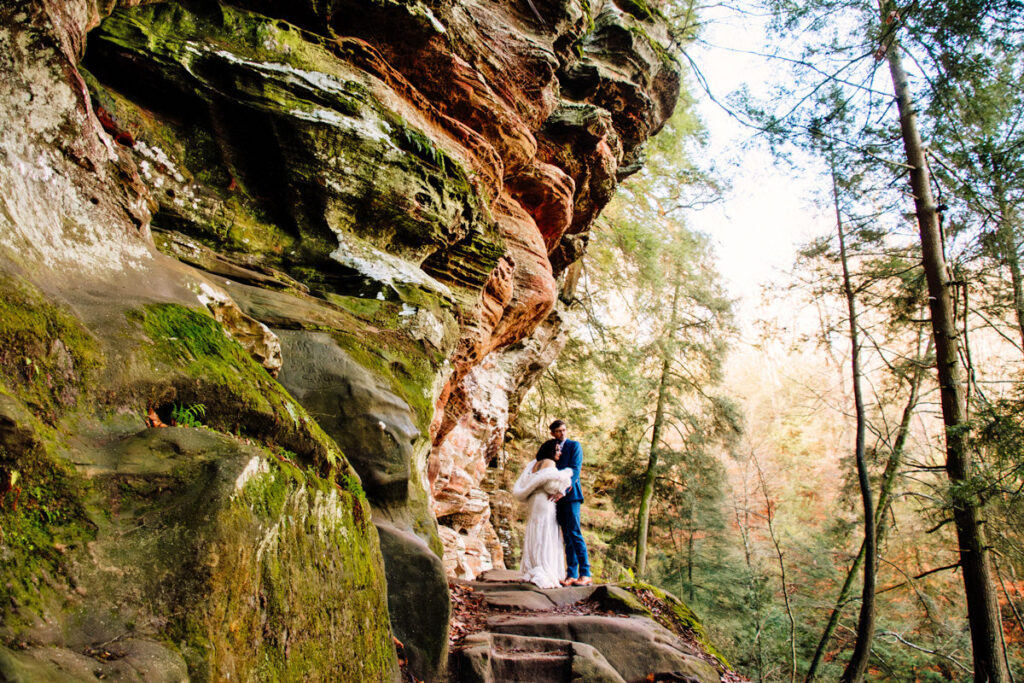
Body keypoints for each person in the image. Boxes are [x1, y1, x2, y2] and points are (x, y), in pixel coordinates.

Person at [512, 439, 573, 589]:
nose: (560, 452)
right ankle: (543, 568)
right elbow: (551, 486)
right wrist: (565, 480)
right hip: (545, 501)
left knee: (535, 531)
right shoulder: (550, 463)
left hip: (534, 500)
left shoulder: (533, 464)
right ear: (551, 450)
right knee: (545, 532)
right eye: (557, 449)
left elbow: (533, 481)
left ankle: (532, 567)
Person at [550, 419, 592, 586]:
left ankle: (586, 573)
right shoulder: (552, 447)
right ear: (552, 433)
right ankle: (571, 575)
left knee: (575, 533)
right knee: (567, 536)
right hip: (556, 497)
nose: (563, 433)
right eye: (559, 431)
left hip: (571, 495)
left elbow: (574, 472)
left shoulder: (574, 446)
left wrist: (563, 491)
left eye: (564, 430)